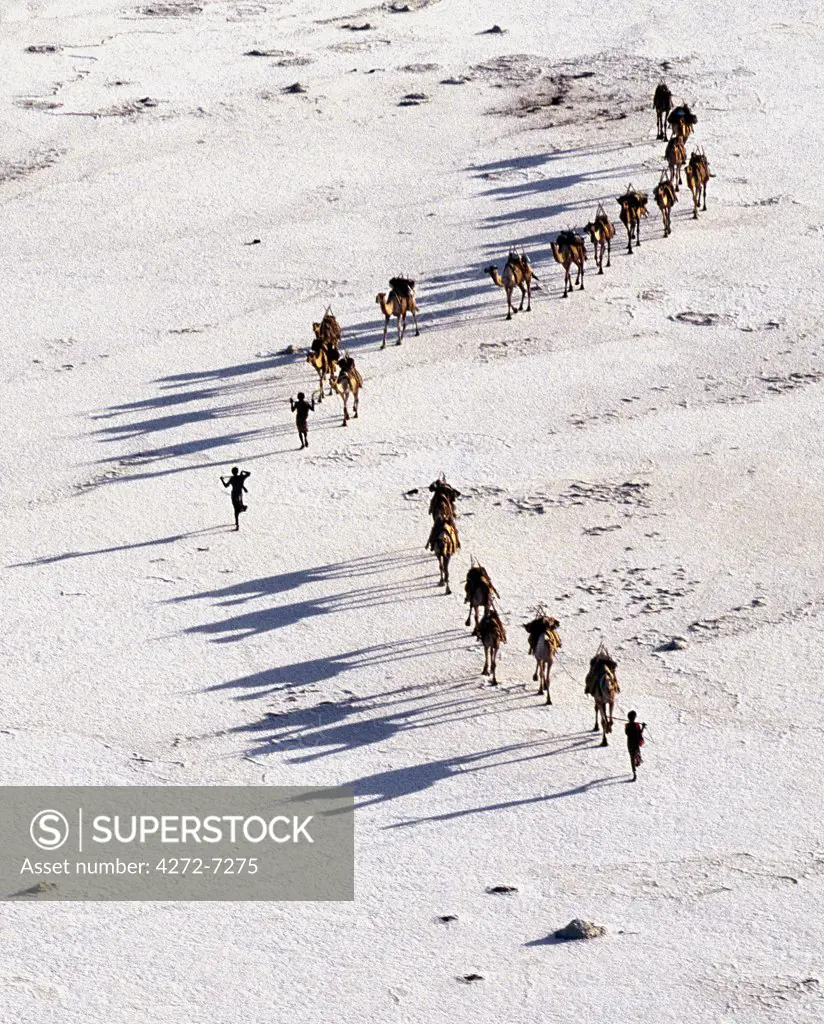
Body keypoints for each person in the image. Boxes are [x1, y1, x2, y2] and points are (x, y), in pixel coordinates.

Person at [625, 710, 646, 782]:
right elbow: (640, 733)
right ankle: (638, 761)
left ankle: (634, 773)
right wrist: (643, 726)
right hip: (636, 743)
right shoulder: (637, 725)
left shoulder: (627, 725)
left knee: (631, 757)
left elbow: (626, 733)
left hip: (630, 744)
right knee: (637, 753)